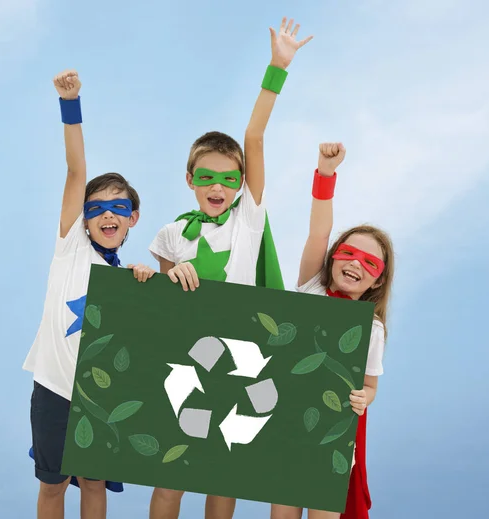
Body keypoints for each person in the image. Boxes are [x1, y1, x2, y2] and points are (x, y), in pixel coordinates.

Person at [148, 17, 313, 519]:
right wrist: (167, 273)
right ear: (190, 179)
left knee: (224, 472)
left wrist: (276, 68)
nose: (217, 187)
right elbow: (156, 297)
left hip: (241, 355)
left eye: (228, 178)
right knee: (171, 475)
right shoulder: (173, 233)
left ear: (241, 183)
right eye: (206, 177)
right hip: (189, 354)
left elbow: (254, 136)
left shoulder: (248, 218)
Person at [23, 70, 155, 519]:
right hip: (54, 389)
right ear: (82, 218)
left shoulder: (132, 277)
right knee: (54, 486)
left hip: (103, 392)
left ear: (132, 218)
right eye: (95, 208)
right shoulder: (70, 247)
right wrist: (71, 104)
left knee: (94, 482)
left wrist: (147, 279)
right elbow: (76, 169)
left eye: (118, 207)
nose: (106, 214)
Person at [270, 143, 395, 519]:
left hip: (333, 435)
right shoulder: (311, 286)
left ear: (377, 281)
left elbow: (370, 386)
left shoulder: (371, 329)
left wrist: (363, 398)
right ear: (333, 255)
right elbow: (318, 231)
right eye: (349, 253)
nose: (356, 264)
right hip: (288, 425)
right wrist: (326, 175)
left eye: (369, 263)